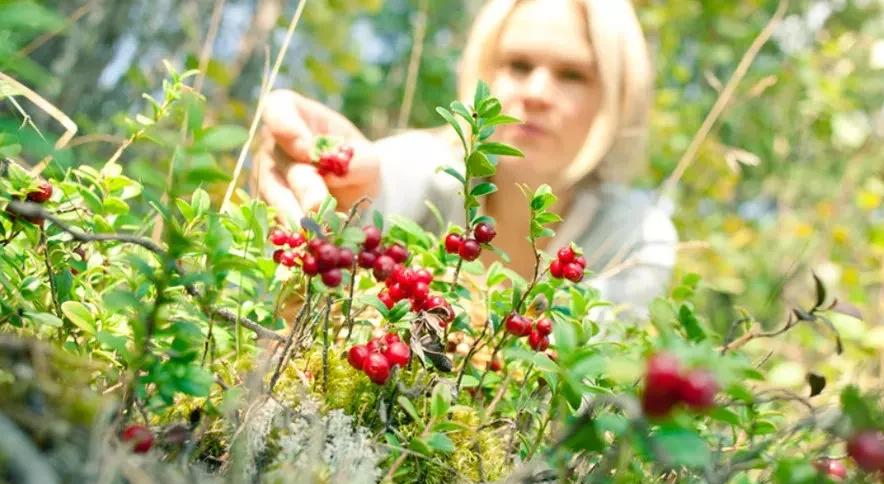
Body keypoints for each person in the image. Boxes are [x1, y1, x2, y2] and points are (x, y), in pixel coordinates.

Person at [254, 0, 677, 318]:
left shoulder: (635, 238)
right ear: (484, 73)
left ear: (618, 98)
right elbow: (366, 202)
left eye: (573, 75)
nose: (536, 93)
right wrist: (330, 186)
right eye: (518, 64)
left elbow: (580, 400)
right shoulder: (428, 168)